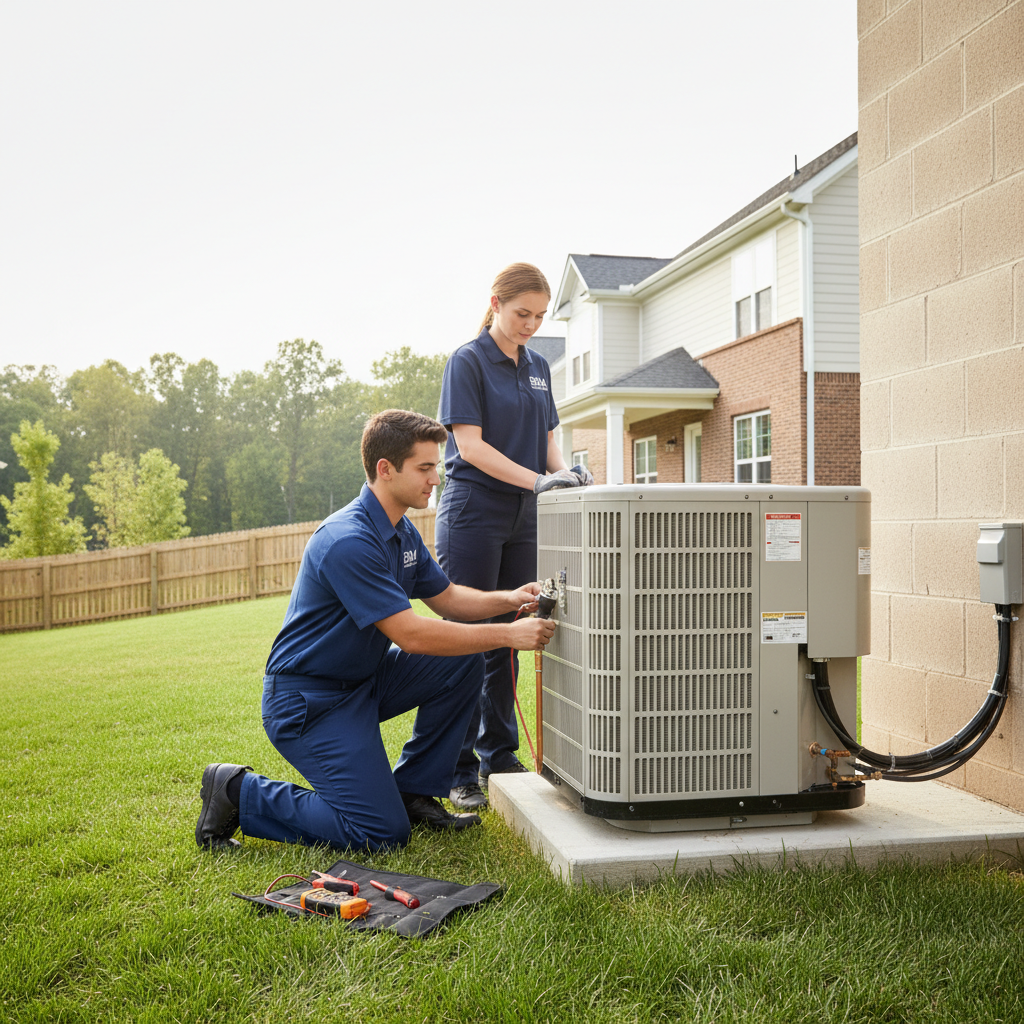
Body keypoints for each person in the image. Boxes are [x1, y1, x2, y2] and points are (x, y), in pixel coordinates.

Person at [195, 409, 556, 852]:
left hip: (365, 680)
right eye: (425, 468)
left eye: (436, 468)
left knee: (463, 658)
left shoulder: (399, 530)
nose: (435, 479)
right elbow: (412, 635)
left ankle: (413, 792)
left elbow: (449, 600)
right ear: (385, 469)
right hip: (309, 702)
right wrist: (508, 636)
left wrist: (512, 598)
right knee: (378, 833)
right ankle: (236, 791)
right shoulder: (348, 540)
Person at [435, 263, 592, 813]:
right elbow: (471, 447)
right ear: (496, 304)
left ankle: (499, 758)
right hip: (474, 510)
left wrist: (564, 475)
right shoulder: (468, 361)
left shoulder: (540, 366)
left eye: (540, 316)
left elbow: (547, 440)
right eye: (522, 313)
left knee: (513, 633)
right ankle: (455, 771)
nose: (530, 324)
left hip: (526, 514)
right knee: (467, 638)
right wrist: (540, 480)